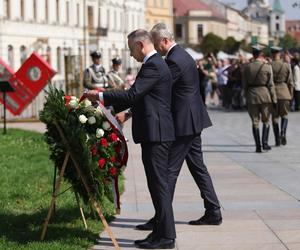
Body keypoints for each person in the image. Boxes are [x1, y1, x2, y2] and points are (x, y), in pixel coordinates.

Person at [84, 29, 176, 249]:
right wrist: (118, 108)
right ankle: (159, 232)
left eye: (131, 49)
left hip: (157, 133)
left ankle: (167, 237)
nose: (131, 54)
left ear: (141, 45)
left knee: (159, 185)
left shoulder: (153, 65)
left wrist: (100, 95)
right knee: (156, 185)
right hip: (154, 132)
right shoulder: (153, 64)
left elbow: (133, 94)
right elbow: (140, 98)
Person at [135, 22, 221, 228]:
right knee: (198, 167)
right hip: (193, 119)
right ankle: (213, 210)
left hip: (184, 122)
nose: (156, 49)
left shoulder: (174, 60)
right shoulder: (183, 55)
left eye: (157, 44)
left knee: (167, 171)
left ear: (165, 40)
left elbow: (158, 89)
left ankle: (162, 219)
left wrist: (130, 111)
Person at [242, 45, 277, 153]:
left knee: (255, 122)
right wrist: (274, 99)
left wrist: (246, 96)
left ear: (253, 54)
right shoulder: (266, 67)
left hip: (252, 96)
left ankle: (258, 146)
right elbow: (271, 84)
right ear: (261, 54)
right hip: (265, 95)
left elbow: (244, 84)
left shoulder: (247, 67)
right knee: (266, 120)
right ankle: (265, 143)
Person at [270, 46, 293, 146]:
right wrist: (290, 95)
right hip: (284, 93)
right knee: (285, 115)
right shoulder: (286, 65)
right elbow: (290, 82)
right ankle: (283, 132)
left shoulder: (268, 65)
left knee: (274, 117)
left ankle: (277, 140)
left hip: (272, 93)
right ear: (280, 53)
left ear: (272, 54)